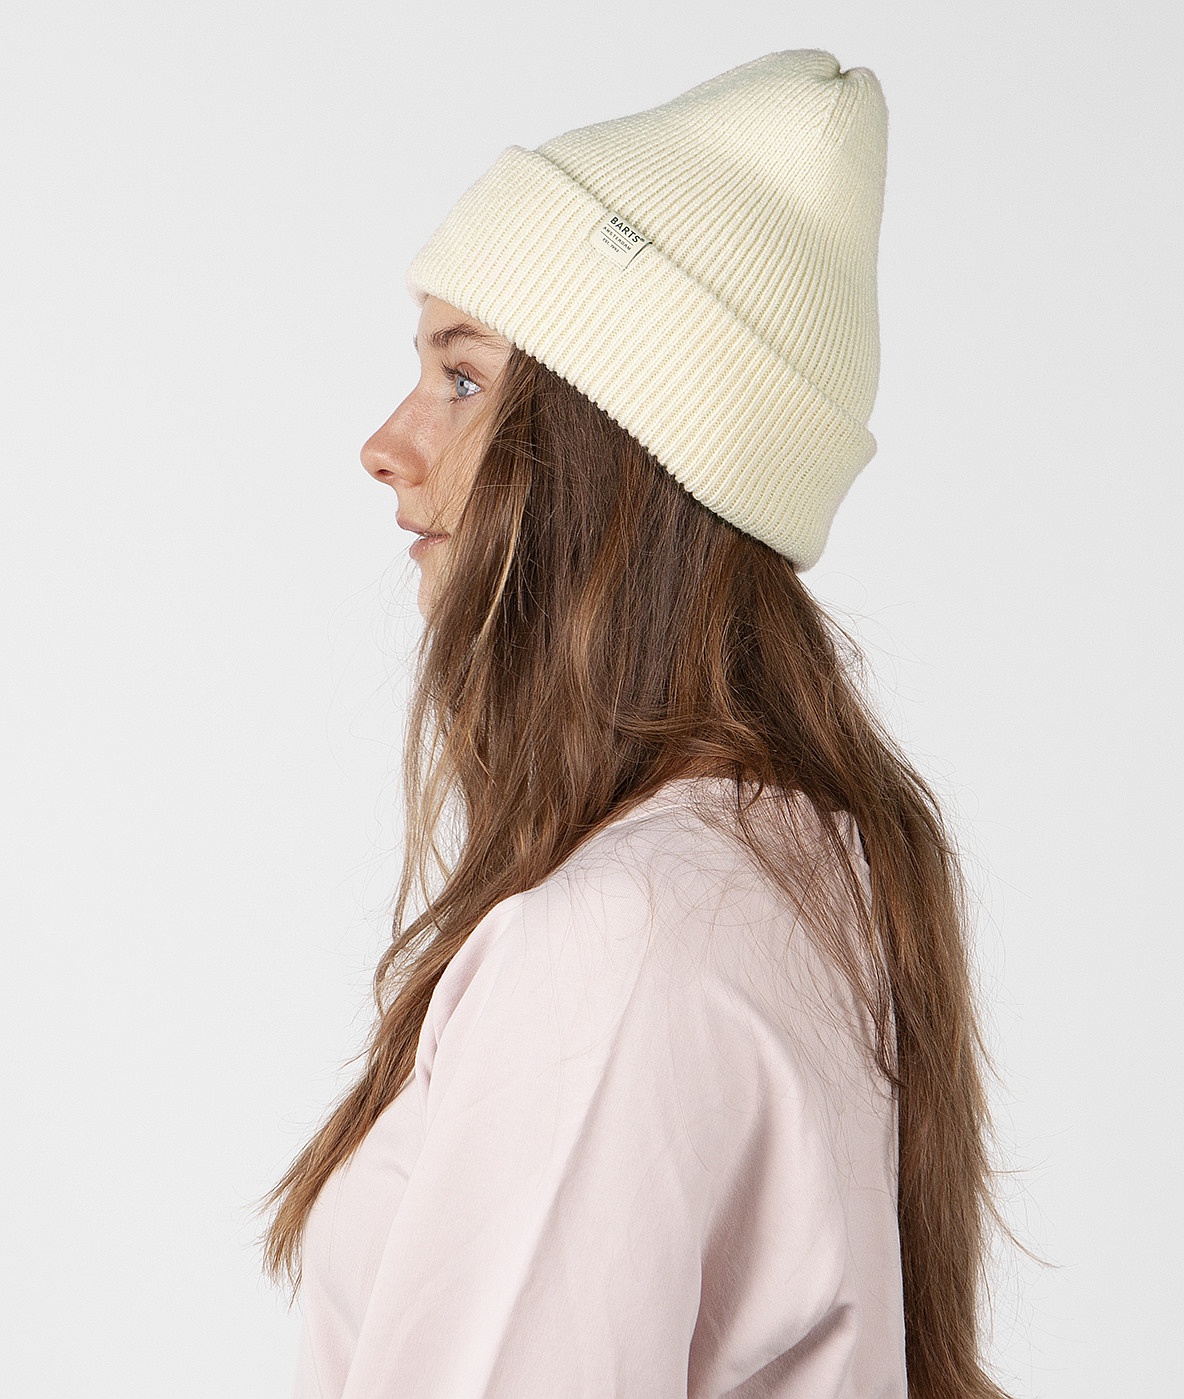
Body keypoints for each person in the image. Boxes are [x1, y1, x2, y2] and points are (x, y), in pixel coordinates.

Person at [256, 49, 1016, 1399]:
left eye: (464, 378)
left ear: (615, 445)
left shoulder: (615, 940)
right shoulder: (805, 865)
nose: (388, 443)